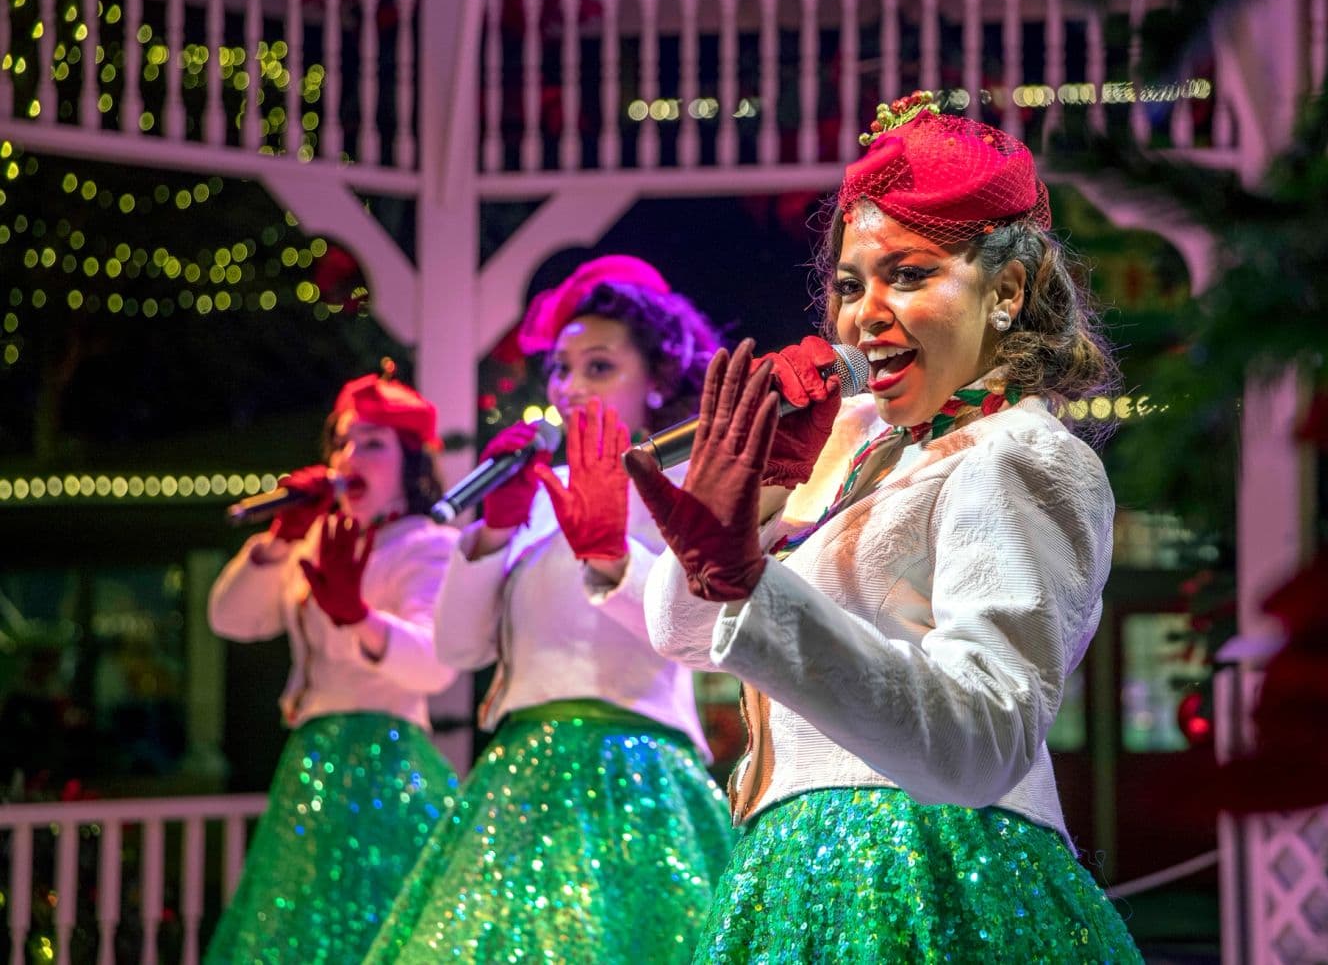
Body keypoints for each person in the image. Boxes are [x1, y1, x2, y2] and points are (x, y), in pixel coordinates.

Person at [628, 95, 1143, 961]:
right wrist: (755, 501)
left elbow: (987, 738)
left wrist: (752, 585)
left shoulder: (1020, 453)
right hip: (791, 880)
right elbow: (685, 633)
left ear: (1006, 291)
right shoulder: (857, 455)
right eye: (847, 285)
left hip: (933, 879)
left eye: (907, 274)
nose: (864, 314)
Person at [365, 256, 733, 963]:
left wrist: (610, 544)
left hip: (638, 775)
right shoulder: (534, 494)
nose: (569, 388)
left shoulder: (687, 484)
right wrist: (495, 530)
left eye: (598, 367)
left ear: (657, 379)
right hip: (521, 773)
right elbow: (459, 652)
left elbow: (701, 634)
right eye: (560, 369)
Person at [205, 366, 461, 965]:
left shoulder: (428, 544)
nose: (350, 456)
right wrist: (278, 538)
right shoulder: (313, 539)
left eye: (372, 443)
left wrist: (357, 617)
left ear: (411, 461)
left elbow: (433, 666)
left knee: (383, 929)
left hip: (389, 761)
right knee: (300, 932)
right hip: (312, 761)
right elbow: (231, 620)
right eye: (343, 442)